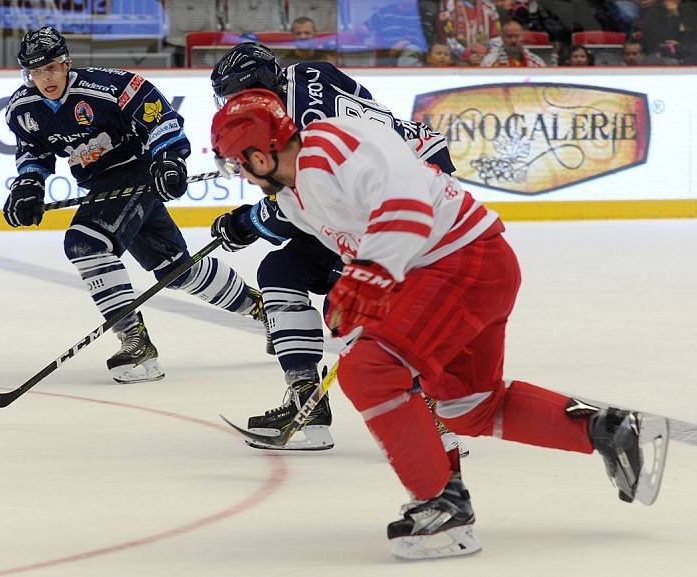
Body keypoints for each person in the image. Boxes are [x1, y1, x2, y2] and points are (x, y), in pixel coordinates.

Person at [210, 88, 670, 560]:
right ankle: (607, 430)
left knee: (370, 371)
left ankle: (443, 507)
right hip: (451, 270)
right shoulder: (293, 199)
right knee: (468, 407)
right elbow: (362, 241)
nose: (238, 174)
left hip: (462, 263)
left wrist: (370, 277)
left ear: (256, 152)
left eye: (235, 163)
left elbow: (407, 208)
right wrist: (358, 291)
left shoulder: (336, 143)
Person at [209, 42, 461, 452]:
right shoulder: (304, 80)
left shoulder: (306, 127)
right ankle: (305, 398)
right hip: (378, 193)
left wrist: (248, 223)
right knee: (280, 272)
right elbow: (309, 203)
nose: (234, 109)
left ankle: (428, 412)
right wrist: (254, 219)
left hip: (405, 203)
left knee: (350, 307)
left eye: (239, 98)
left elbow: (309, 201)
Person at [3, 27, 269, 384]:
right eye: (35, 71)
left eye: (51, 67)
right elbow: (33, 152)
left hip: (138, 174)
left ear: (66, 63)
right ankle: (265, 310)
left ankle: (135, 341)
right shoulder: (24, 109)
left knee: (86, 243)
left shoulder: (109, 87)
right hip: (102, 186)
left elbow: (161, 120)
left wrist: (169, 160)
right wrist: (28, 188)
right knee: (177, 271)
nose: (45, 77)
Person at [480, 18, 547, 66]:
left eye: (517, 36)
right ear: (502, 38)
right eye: (509, 36)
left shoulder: (536, 62)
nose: (513, 40)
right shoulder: (489, 62)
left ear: (523, 37)